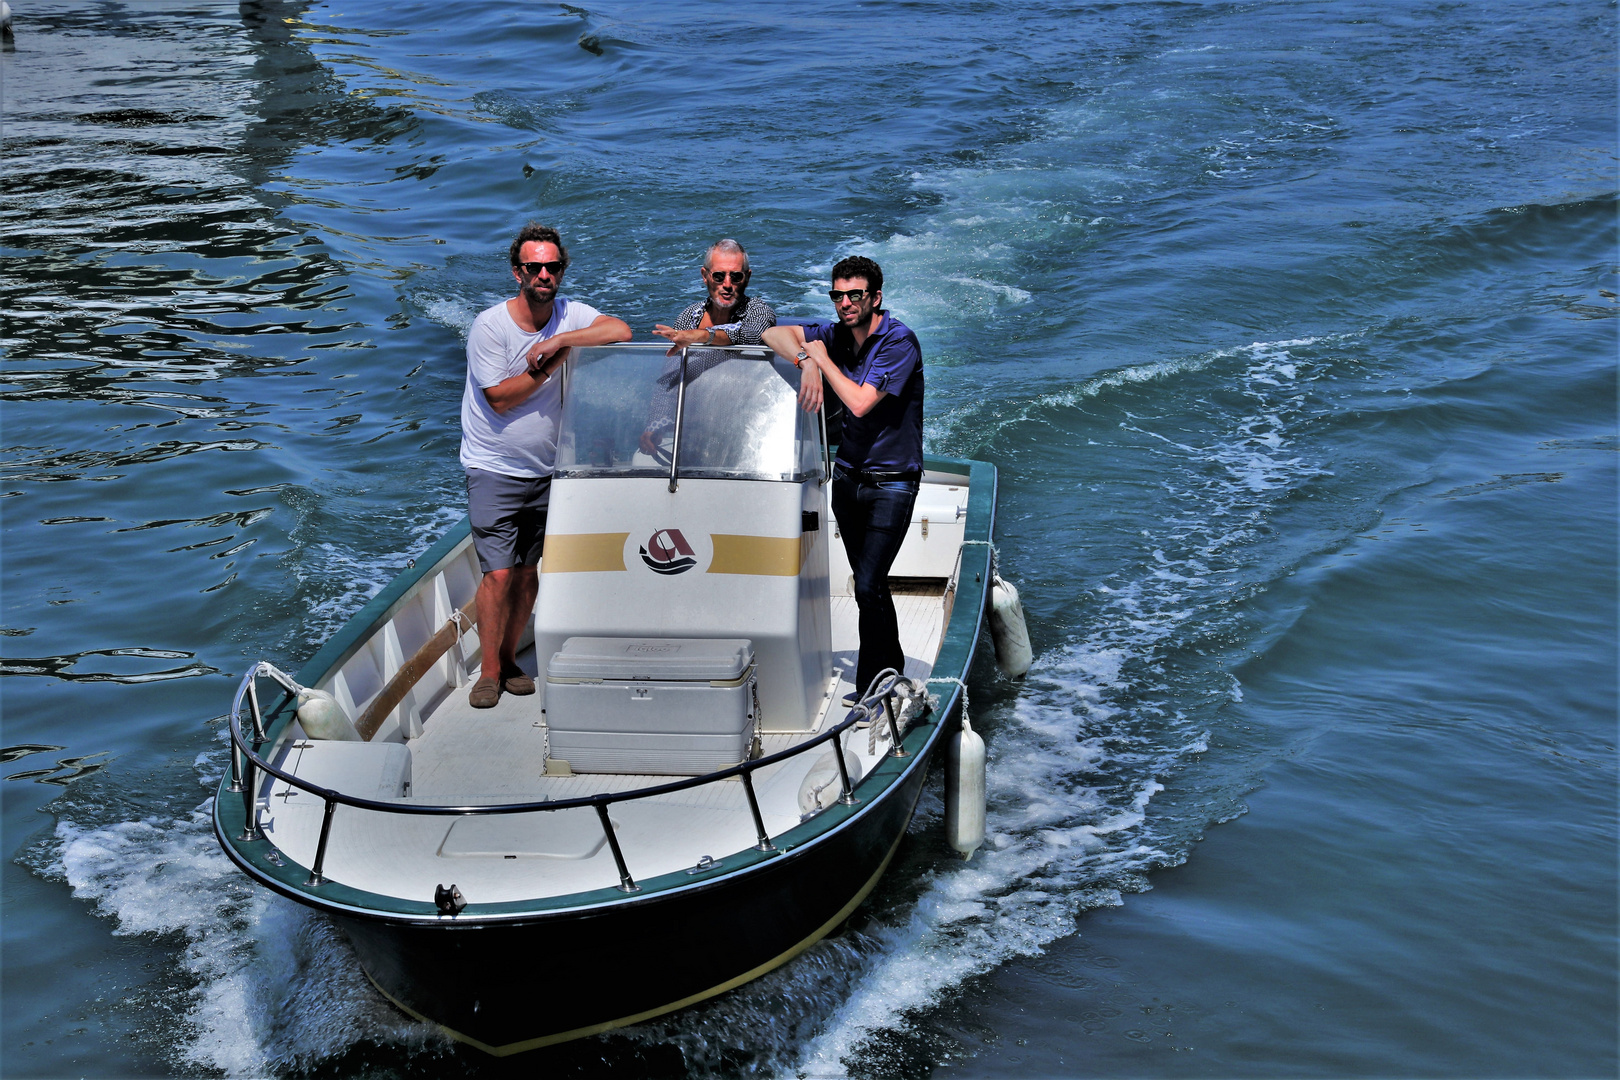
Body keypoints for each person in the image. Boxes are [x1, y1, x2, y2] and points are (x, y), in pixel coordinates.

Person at [460, 223, 632, 708]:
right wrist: (552, 363)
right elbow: (498, 398)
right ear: (517, 272)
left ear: (561, 271)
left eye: (552, 266)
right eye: (533, 266)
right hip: (493, 467)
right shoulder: (490, 326)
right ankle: (489, 671)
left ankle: (511, 658)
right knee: (497, 575)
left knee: (527, 572)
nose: (543, 274)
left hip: (546, 469)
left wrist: (564, 340)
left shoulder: (569, 315)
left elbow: (621, 330)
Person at [762, 255, 922, 703]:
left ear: (875, 297)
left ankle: (878, 679)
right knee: (866, 584)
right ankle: (886, 671)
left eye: (855, 295)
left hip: (893, 481)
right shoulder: (833, 334)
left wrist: (822, 362)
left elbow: (857, 403)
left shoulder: (899, 341)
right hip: (848, 477)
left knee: (870, 583)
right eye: (838, 295)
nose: (846, 303)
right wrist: (804, 360)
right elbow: (770, 331)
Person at [642, 239, 777, 457]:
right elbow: (670, 379)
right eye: (718, 276)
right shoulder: (689, 317)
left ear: (747, 278)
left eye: (736, 276)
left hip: (746, 434)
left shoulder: (759, 312)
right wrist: (654, 427)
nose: (727, 284)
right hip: (693, 432)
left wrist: (703, 336)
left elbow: (753, 335)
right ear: (705, 276)